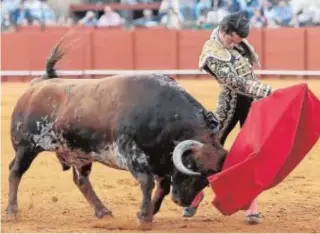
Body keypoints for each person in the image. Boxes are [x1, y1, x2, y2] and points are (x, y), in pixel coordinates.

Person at [182, 11, 273, 224]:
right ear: (224, 31)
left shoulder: (236, 39)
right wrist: (264, 90)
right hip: (230, 105)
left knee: (252, 151)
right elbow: (234, 82)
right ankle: (196, 193)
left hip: (251, 103)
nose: (233, 45)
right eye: (231, 40)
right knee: (210, 151)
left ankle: (251, 202)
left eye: (237, 41)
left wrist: (260, 94)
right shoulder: (211, 52)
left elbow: (247, 72)